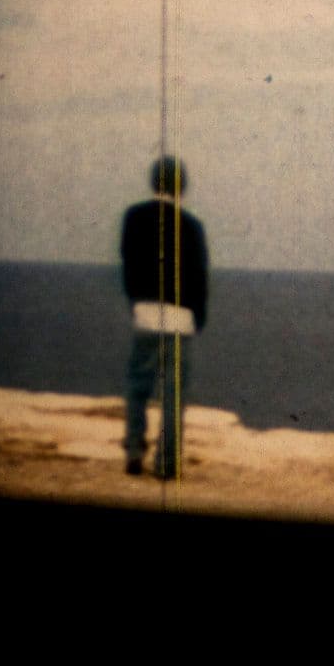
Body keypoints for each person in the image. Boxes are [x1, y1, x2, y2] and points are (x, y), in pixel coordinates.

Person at [119, 155, 209, 479]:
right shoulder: (191, 226)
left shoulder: (133, 217)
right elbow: (199, 277)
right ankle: (167, 463)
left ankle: (132, 450)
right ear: (181, 186)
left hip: (144, 313)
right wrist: (199, 317)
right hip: (179, 319)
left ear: (152, 180)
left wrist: (134, 302)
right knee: (173, 395)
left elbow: (127, 264)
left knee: (137, 386)